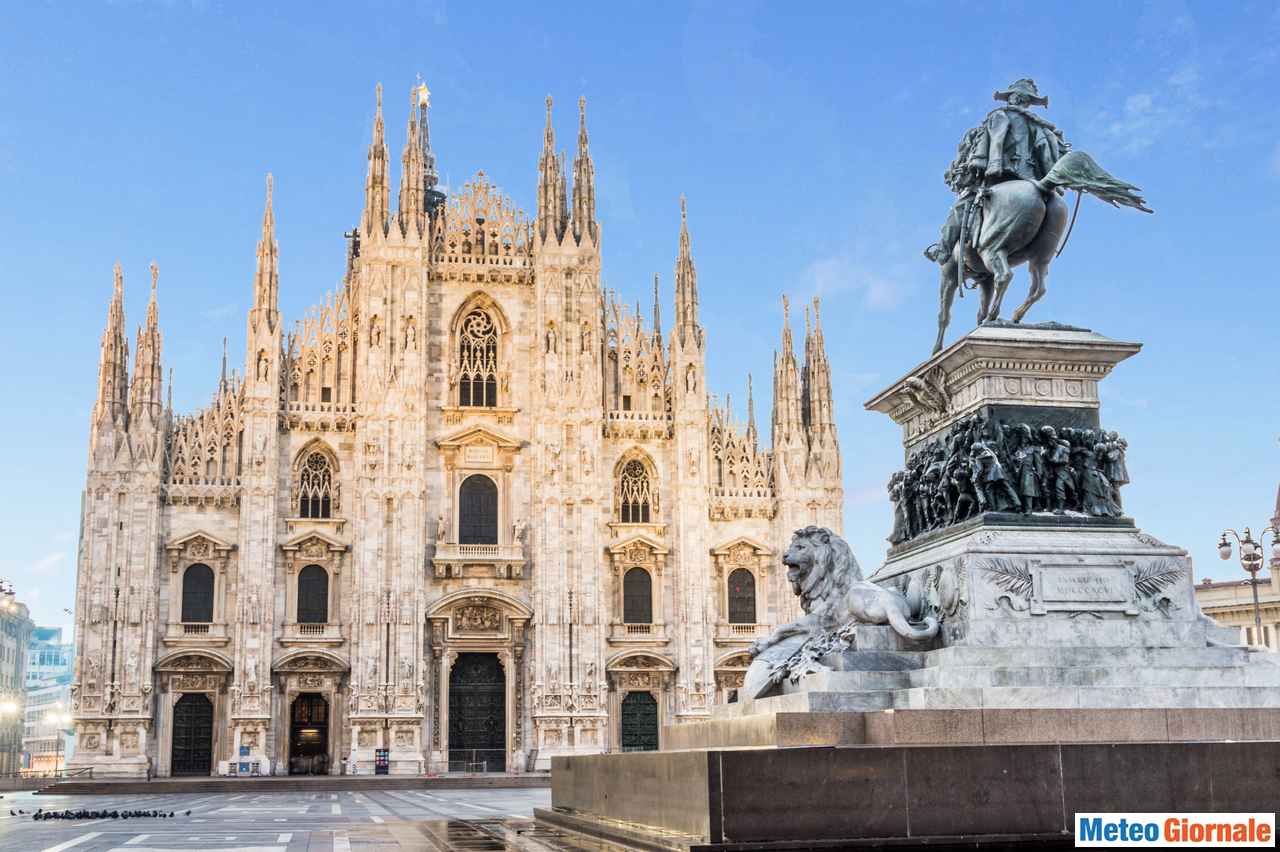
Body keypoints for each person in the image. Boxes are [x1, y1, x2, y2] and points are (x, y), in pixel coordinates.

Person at [925, 78, 1071, 266]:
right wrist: (1054, 180)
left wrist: (985, 165)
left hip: (999, 176)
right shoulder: (1039, 126)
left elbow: (994, 141)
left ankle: (942, 250)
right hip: (1032, 179)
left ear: (1012, 98)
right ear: (1027, 101)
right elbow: (1046, 152)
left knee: (961, 206)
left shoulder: (998, 116)